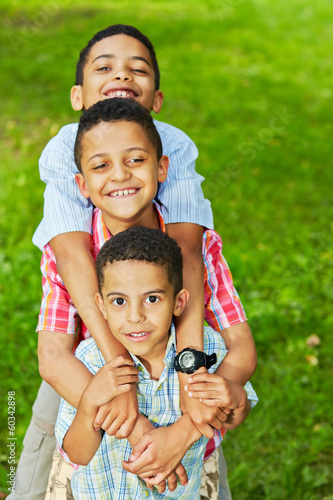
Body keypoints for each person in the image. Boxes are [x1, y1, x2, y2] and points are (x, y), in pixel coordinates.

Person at [10, 24, 256, 499]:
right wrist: (131, 412)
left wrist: (187, 409)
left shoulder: (177, 152)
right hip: (86, 386)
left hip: (178, 394)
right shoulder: (64, 160)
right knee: (38, 477)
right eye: (104, 67)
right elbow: (56, 341)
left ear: (159, 165)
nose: (120, 75)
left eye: (136, 68)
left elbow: (189, 256)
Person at [55, 225, 258, 499]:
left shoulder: (206, 350)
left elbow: (232, 418)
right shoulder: (90, 360)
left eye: (151, 299)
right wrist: (90, 402)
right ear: (101, 306)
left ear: (178, 302)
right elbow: (77, 454)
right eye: (119, 301)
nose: (135, 316)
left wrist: (236, 395)